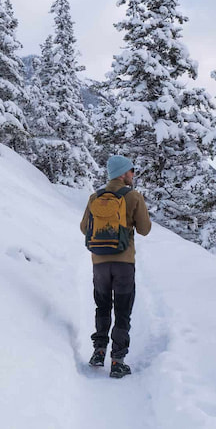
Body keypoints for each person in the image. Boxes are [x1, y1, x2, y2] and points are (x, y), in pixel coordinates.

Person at [80, 154, 151, 378]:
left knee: (102, 307)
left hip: (99, 263)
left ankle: (99, 351)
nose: (133, 174)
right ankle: (117, 360)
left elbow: (84, 228)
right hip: (124, 263)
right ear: (122, 173)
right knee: (122, 311)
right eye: (131, 170)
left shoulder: (95, 197)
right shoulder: (133, 196)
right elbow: (145, 229)